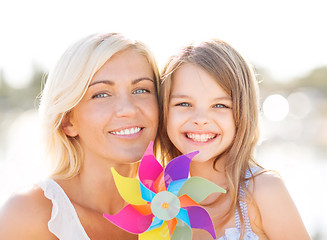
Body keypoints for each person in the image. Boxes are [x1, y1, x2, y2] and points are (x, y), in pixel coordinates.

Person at [0, 33, 159, 239]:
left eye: (141, 90)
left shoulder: (171, 209)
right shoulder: (30, 215)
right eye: (101, 94)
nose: (128, 109)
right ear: (68, 122)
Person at [158, 39, 311, 239]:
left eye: (220, 105)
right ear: (163, 110)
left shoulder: (264, 192)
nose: (201, 120)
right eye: (184, 103)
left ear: (243, 112)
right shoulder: (158, 201)